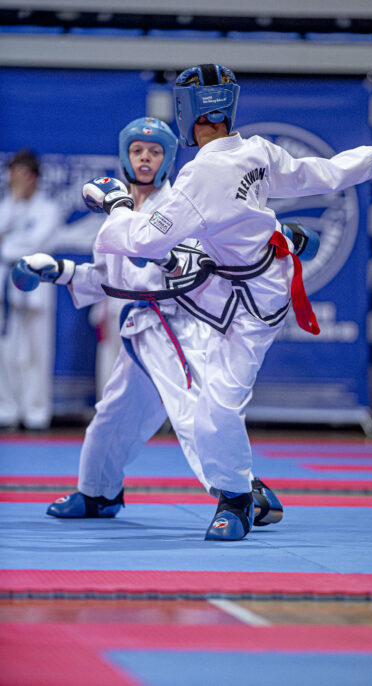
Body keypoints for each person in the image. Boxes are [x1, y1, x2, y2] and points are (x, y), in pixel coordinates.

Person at [82, 64, 372, 541]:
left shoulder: (201, 174)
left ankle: (238, 501)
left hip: (249, 303)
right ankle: (196, 492)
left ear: (186, 112)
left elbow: (143, 241)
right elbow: (319, 174)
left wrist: (117, 203)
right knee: (197, 403)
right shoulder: (256, 149)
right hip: (233, 289)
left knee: (215, 407)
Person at [12, 117, 284, 528]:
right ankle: (98, 493)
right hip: (138, 328)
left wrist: (162, 255)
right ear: (125, 156)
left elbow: (192, 268)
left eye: (154, 152)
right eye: (137, 150)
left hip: (178, 325)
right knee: (111, 418)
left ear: (168, 158)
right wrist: (57, 270)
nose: (145, 158)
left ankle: (246, 494)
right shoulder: (117, 212)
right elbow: (108, 280)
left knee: (193, 416)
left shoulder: (184, 203)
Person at [0, 149, 62, 431]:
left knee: (37, 351)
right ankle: (7, 410)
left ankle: (37, 413)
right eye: (12, 174)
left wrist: (9, 246)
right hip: (5, 285)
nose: (15, 179)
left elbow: (36, 244)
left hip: (36, 284)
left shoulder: (48, 209)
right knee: (6, 352)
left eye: (21, 174)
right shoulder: (6, 205)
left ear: (34, 177)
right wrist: (14, 201)